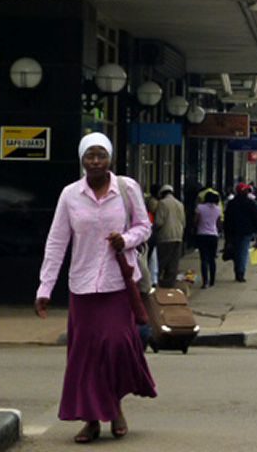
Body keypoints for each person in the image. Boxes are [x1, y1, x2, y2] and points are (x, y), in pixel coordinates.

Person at [34, 132, 156, 444]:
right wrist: (45, 288)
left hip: (118, 284)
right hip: (83, 286)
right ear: (82, 160)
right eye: (90, 156)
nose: (96, 161)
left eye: (101, 155)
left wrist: (125, 240)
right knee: (85, 356)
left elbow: (144, 226)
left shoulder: (127, 189)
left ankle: (113, 406)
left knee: (117, 346)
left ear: (110, 158)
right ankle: (91, 420)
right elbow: (57, 241)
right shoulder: (70, 195)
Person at [224, 183, 257, 282]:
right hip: (246, 231)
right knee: (243, 251)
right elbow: (256, 217)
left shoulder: (232, 203)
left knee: (237, 252)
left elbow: (227, 218)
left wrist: (226, 232)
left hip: (233, 231)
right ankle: (241, 272)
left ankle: (238, 270)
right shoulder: (250, 203)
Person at [154, 184, 186, 288]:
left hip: (165, 237)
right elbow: (183, 222)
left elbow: (159, 222)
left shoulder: (162, 203)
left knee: (161, 262)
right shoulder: (180, 204)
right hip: (178, 235)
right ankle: (169, 285)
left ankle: (159, 284)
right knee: (173, 263)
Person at [194, 191, 223, 289]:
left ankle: (205, 281)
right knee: (212, 259)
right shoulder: (218, 209)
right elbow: (219, 223)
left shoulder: (200, 208)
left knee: (203, 259)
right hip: (213, 235)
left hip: (202, 234)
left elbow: (196, 220)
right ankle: (212, 280)